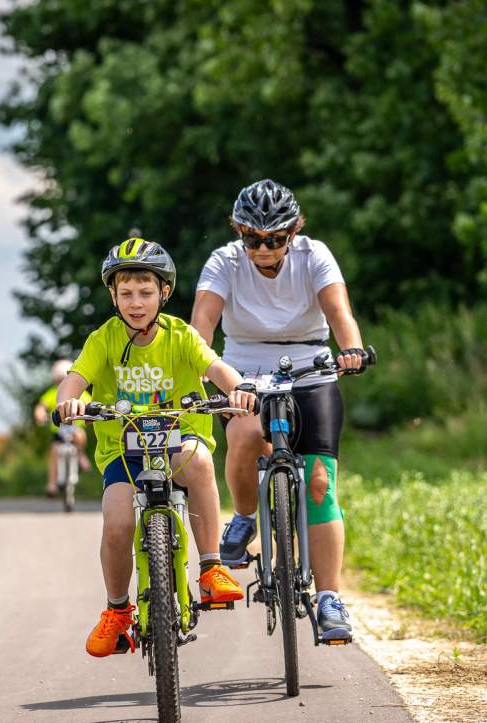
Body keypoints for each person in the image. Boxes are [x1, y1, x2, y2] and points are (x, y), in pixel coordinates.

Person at [54, 237, 257, 658]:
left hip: (179, 441)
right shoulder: (103, 339)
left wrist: (239, 391)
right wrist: (68, 401)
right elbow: (76, 378)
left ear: (163, 293)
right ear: (112, 295)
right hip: (124, 453)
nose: (136, 302)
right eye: (125, 293)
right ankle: (117, 611)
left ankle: (211, 567)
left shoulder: (181, 335)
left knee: (200, 463)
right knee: (116, 525)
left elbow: (216, 367)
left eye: (146, 292)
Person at [190, 179, 369, 643]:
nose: (263, 249)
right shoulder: (225, 262)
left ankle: (329, 598)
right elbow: (202, 325)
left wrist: (350, 349)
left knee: (319, 482)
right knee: (248, 437)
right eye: (252, 238)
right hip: (245, 370)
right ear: (239, 233)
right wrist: (195, 366)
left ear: (293, 233)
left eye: (274, 239)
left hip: (311, 365)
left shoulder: (314, 255)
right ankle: (246, 517)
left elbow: (339, 312)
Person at [33, 358, 91, 496]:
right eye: (58, 380)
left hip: (75, 430)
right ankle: (52, 484)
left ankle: (80, 454)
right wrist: (40, 415)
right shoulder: (52, 393)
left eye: (63, 379)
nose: (61, 383)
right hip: (59, 433)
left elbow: (90, 404)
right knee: (53, 451)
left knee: (80, 436)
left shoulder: (81, 394)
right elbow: (41, 407)